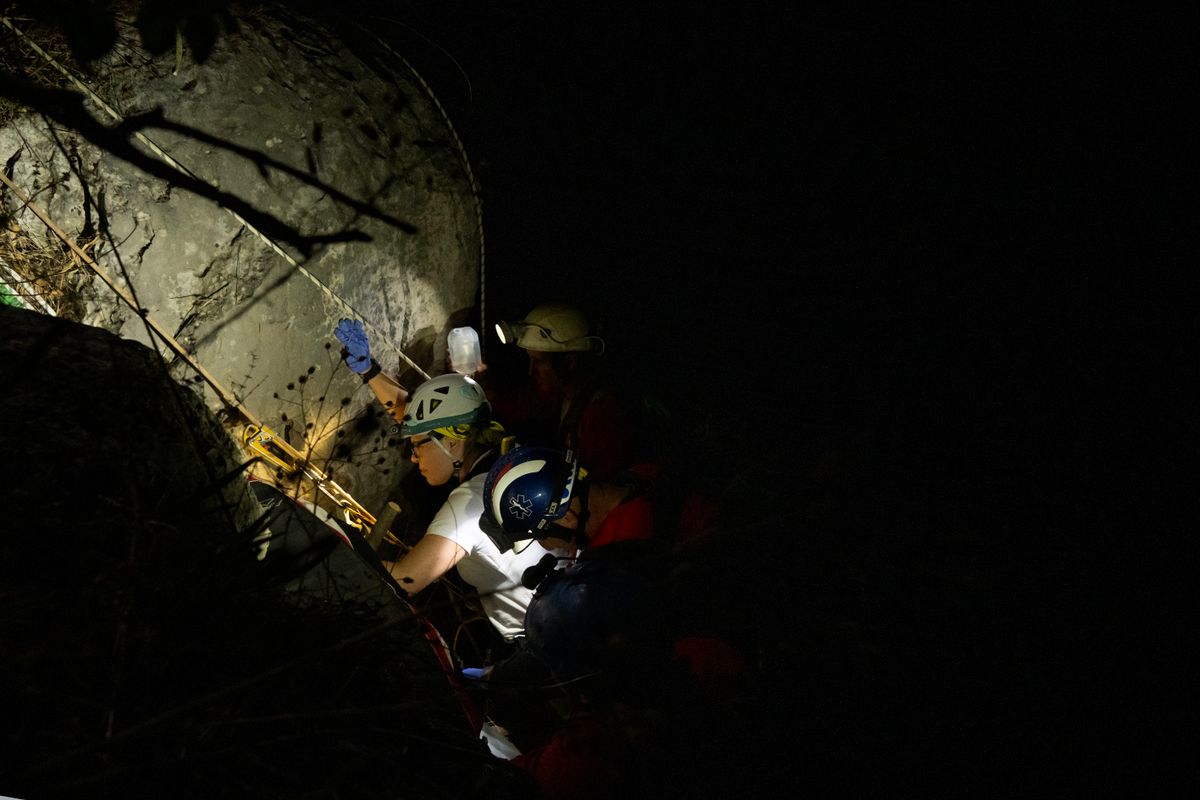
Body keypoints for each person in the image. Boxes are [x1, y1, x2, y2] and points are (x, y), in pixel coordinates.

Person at [333, 319, 554, 644]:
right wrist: (370, 372)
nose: (412, 457)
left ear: (450, 442)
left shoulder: (465, 507)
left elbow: (404, 580)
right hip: (569, 607)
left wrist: (344, 543)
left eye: (416, 446)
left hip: (543, 646)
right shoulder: (509, 456)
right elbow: (422, 420)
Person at [488, 303, 636, 481]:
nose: (531, 371)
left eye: (540, 362)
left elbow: (599, 488)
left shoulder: (604, 417)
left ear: (569, 362)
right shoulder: (564, 392)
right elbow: (524, 404)